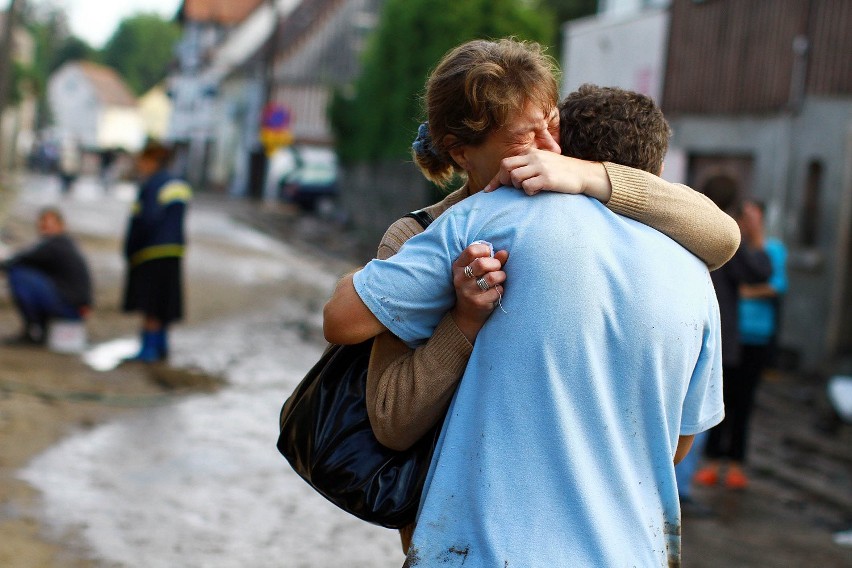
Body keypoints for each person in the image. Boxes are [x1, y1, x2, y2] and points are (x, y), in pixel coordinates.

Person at [324, 74, 725, 565]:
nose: (543, 147)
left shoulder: (485, 221)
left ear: (567, 153)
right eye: (528, 134)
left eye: (549, 131)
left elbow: (342, 325)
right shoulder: (694, 275)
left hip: (478, 551)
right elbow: (675, 446)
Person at [694, 197, 780, 490]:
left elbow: (773, 284)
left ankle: (731, 465)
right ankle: (709, 464)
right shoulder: (729, 242)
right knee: (718, 401)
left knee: (740, 403)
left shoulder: (769, 250)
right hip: (730, 336)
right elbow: (758, 280)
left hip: (752, 339)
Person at [122, 140, 191, 362]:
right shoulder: (179, 183)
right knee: (166, 300)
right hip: (174, 250)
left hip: (150, 252)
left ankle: (148, 349)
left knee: (151, 302)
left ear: (152, 161)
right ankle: (161, 346)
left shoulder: (151, 185)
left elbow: (146, 220)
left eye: (142, 160)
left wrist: (131, 249)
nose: (140, 165)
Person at [1, 207, 92, 345]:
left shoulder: (55, 245)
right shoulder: (66, 244)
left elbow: (19, 260)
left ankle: (33, 328)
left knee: (19, 274)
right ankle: (38, 327)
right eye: (42, 224)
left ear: (61, 226)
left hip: (70, 308)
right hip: (76, 306)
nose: (45, 227)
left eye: (49, 224)